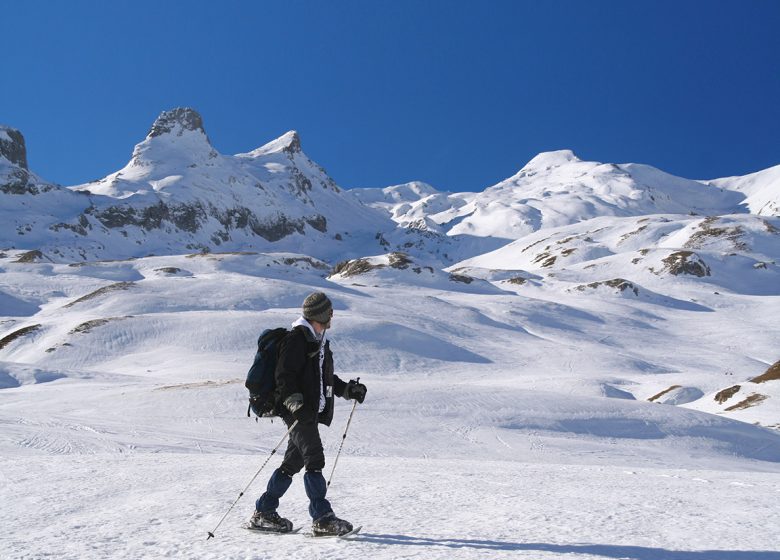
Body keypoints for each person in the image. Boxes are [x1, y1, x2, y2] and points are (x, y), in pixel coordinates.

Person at [248, 292, 367, 536]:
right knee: (315, 459)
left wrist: (348, 390)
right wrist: (295, 405)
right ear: (321, 314)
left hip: (308, 411)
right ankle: (322, 519)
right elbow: (284, 377)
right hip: (298, 412)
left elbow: (325, 379)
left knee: (293, 462)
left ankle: (264, 512)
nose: (332, 316)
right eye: (329, 312)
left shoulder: (317, 340)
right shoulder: (297, 340)